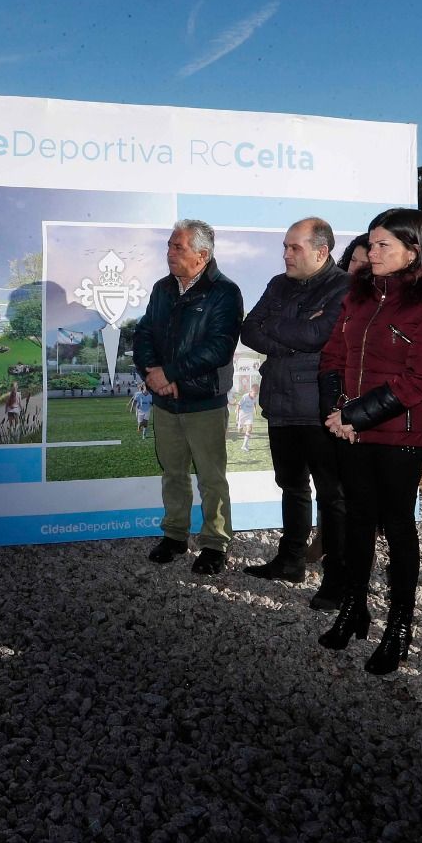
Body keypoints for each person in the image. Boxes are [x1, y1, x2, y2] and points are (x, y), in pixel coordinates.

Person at [317, 210, 422, 673]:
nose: (372, 253)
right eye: (370, 244)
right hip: (349, 428)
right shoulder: (360, 294)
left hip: (401, 435)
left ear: (414, 249)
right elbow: (332, 354)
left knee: (398, 526)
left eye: (384, 244)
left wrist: (355, 416)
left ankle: (400, 627)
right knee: (357, 522)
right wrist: (337, 413)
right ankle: (354, 608)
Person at [239, 217, 351, 605]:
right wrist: (296, 331)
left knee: (332, 495)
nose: (285, 254)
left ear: (321, 252)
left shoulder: (343, 286)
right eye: (285, 246)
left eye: (294, 248)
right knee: (291, 486)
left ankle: (338, 580)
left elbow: (319, 336)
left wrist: (281, 331)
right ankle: (290, 561)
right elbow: (249, 328)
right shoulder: (277, 283)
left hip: (319, 407)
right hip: (280, 402)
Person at [134, 219, 243, 575]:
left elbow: (219, 349)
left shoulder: (224, 292)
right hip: (166, 400)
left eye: (178, 247)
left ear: (202, 255)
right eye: (169, 245)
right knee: (173, 473)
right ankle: (175, 535)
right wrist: (154, 374)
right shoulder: (162, 289)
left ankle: (214, 543)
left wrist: (172, 373)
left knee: (211, 477)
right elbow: (144, 333)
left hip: (204, 401)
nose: (169, 253)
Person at [235, 384, 259, 452]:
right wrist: (237, 414)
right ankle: (238, 425)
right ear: (250, 391)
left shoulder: (255, 397)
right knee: (239, 431)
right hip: (242, 415)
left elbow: (254, 403)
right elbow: (238, 404)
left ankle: (244, 445)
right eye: (254, 393)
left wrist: (255, 409)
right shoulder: (245, 397)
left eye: (257, 393)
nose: (255, 395)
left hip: (249, 415)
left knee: (249, 429)